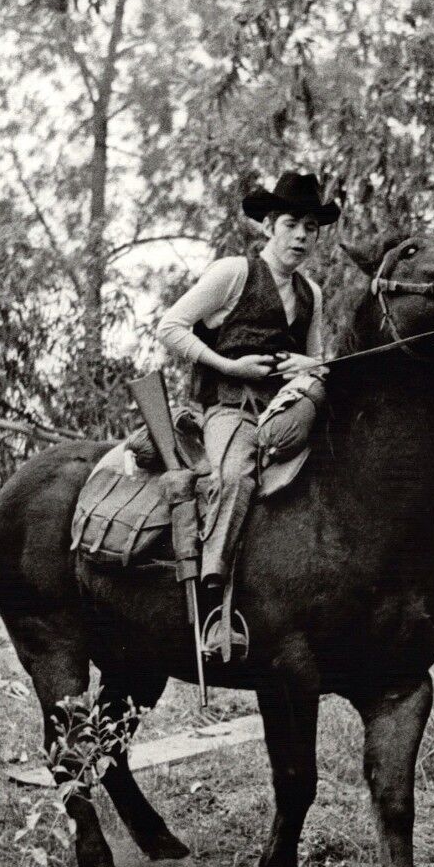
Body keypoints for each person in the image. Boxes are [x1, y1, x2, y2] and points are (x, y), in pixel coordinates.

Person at [156, 172, 339, 658]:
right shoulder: (233, 273)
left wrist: (309, 364)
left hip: (284, 416)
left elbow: (318, 360)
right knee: (236, 476)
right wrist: (227, 364)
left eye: (310, 228)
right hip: (230, 411)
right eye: (291, 224)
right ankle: (215, 596)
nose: (301, 236)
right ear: (267, 227)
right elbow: (171, 326)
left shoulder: (311, 294)